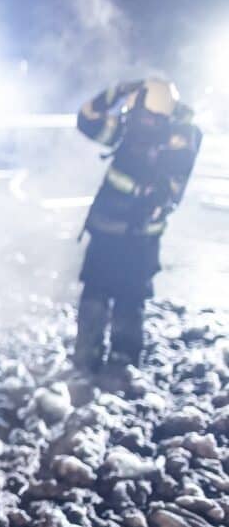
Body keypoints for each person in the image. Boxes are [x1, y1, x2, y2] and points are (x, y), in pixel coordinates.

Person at [74, 77, 201, 372]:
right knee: (95, 294)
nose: (130, 117)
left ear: (152, 114)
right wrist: (115, 92)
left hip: (138, 238)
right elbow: (86, 120)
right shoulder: (130, 132)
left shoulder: (177, 143)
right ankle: (85, 361)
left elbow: (164, 190)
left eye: (137, 112)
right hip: (107, 231)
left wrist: (140, 193)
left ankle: (122, 365)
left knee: (128, 300)